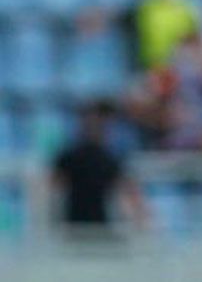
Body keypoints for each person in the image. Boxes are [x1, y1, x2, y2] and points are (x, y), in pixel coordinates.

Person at [51, 100, 149, 237]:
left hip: (100, 227)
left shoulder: (110, 159)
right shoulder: (69, 157)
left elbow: (129, 190)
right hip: (74, 228)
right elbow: (52, 187)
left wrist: (141, 218)